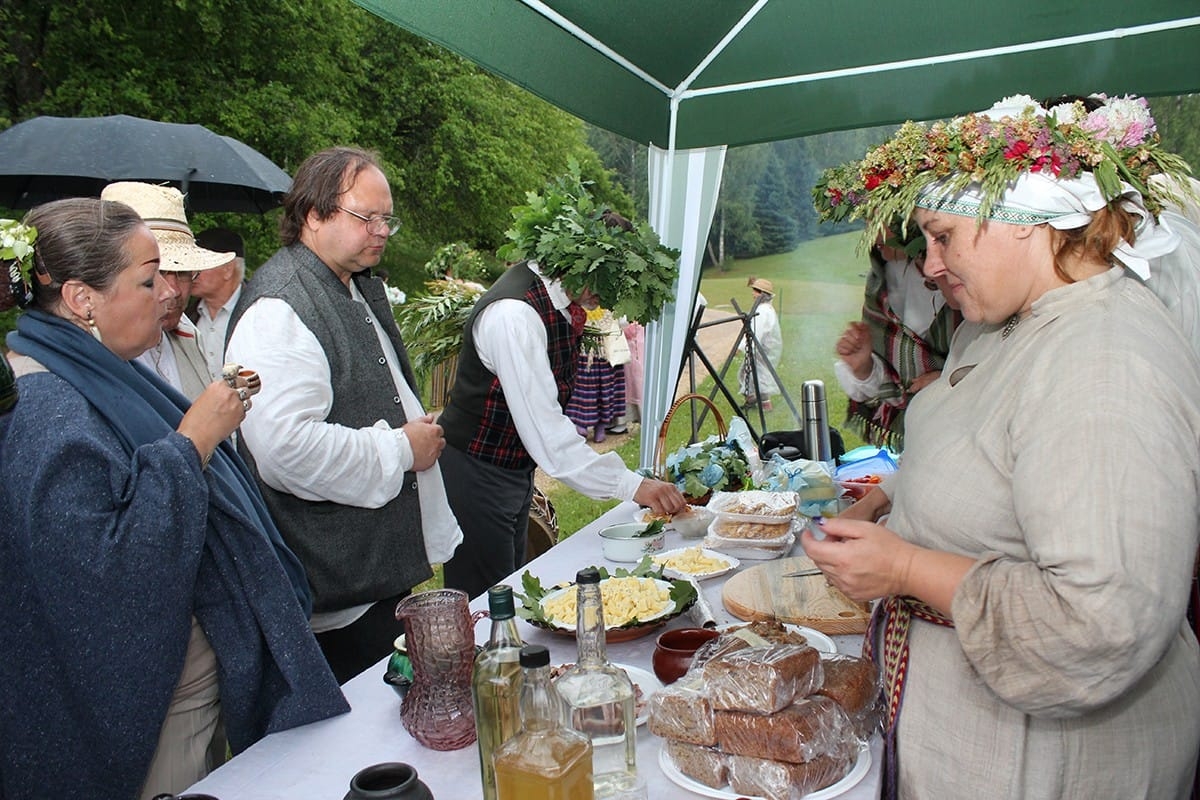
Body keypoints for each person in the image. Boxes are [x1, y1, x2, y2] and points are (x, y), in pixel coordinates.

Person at [805, 93, 1200, 799]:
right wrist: (882, 507)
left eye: (943, 236)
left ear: (1026, 224)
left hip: (1048, 769)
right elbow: (972, 443)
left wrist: (904, 569)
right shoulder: (1000, 324)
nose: (928, 267)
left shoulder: (1103, 361)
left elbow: (1100, 619)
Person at [0, 198, 347, 800]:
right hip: (146, 707)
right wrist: (194, 441)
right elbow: (105, 573)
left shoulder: (94, 372)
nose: (165, 290)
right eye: (146, 278)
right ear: (83, 300)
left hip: (177, 681)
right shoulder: (47, 407)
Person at [225, 146, 461, 684]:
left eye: (386, 219)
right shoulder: (278, 311)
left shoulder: (347, 282)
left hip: (371, 578)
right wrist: (402, 448)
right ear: (313, 214)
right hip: (338, 590)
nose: (380, 230)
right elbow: (286, 450)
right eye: (365, 217)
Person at [438, 209, 687, 600]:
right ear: (579, 259)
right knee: (486, 602)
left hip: (512, 469)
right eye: (605, 283)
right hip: (475, 472)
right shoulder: (514, 315)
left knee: (511, 585)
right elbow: (547, 434)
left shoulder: (557, 298)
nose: (605, 298)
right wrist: (631, 485)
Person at [99, 182, 229, 400]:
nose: (173, 290)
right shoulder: (91, 356)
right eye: (155, 274)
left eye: (184, 272)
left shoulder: (188, 334)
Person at [833, 234, 961, 450]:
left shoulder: (967, 274)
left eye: (881, 218)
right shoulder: (881, 280)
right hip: (916, 440)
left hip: (966, 431)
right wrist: (865, 368)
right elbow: (885, 384)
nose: (872, 233)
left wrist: (952, 379)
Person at [190, 226, 247, 379]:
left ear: (228, 269)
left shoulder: (256, 314)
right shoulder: (187, 316)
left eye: (201, 264)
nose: (192, 273)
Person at [565, 305, 628, 442]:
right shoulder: (582, 305)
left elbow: (623, 322)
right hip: (590, 354)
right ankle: (585, 424)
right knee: (591, 389)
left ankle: (596, 426)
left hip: (603, 353)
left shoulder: (607, 305)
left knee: (594, 389)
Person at [737, 276, 782, 411]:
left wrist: (741, 347)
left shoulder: (762, 311)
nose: (753, 294)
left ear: (761, 294)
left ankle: (765, 403)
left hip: (761, 347)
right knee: (748, 373)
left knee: (758, 374)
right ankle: (752, 398)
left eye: (755, 291)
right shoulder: (766, 308)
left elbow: (757, 331)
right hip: (763, 346)